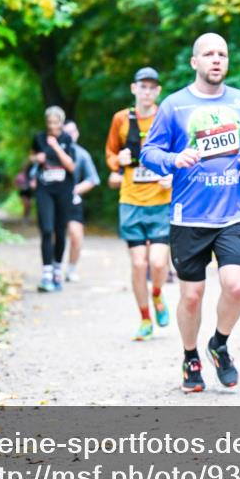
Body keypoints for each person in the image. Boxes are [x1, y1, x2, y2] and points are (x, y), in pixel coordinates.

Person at [141, 34, 240, 392]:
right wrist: (172, 159)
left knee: (236, 285)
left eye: (222, 54)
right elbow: (149, 151)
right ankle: (190, 356)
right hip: (189, 216)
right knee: (192, 296)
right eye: (208, 54)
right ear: (195, 62)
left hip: (234, 212)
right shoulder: (174, 106)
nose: (216, 59)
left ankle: (220, 344)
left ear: (227, 62)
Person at [106, 67, 173, 341]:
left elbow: (180, 152)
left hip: (160, 202)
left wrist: (172, 175)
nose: (147, 92)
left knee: (157, 264)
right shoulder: (121, 119)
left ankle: (157, 294)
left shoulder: (165, 118)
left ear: (158, 91)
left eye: (152, 87)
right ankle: (145, 318)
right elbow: (110, 154)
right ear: (134, 89)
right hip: (131, 201)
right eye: (142, 87)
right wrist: (116, 162)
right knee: (137, 263)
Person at [30, 106, 76, 292]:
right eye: (50, 122)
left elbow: (71, 166)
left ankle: (57, 269)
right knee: (47, 230)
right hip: (44, 189)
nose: (53, 126)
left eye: (56, 122)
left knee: (60, 230)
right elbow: (31, 156)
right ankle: (46, 272)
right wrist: (36, 158)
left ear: (62, 122)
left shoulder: (66, 139)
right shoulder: (39, 138)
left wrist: (56, 147)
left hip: (64, 190)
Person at [62, 121, 101, 282]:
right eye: (67, 132)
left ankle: (71, 268)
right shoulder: (53, 151)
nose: (71, 135)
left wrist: (76, 189)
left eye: (73, 131)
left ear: (77, 133)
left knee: (76, 235)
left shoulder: (82, 154)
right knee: (54, 236)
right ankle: (53, 267)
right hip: (54, 201)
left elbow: (93, 179)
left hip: (73, 200)